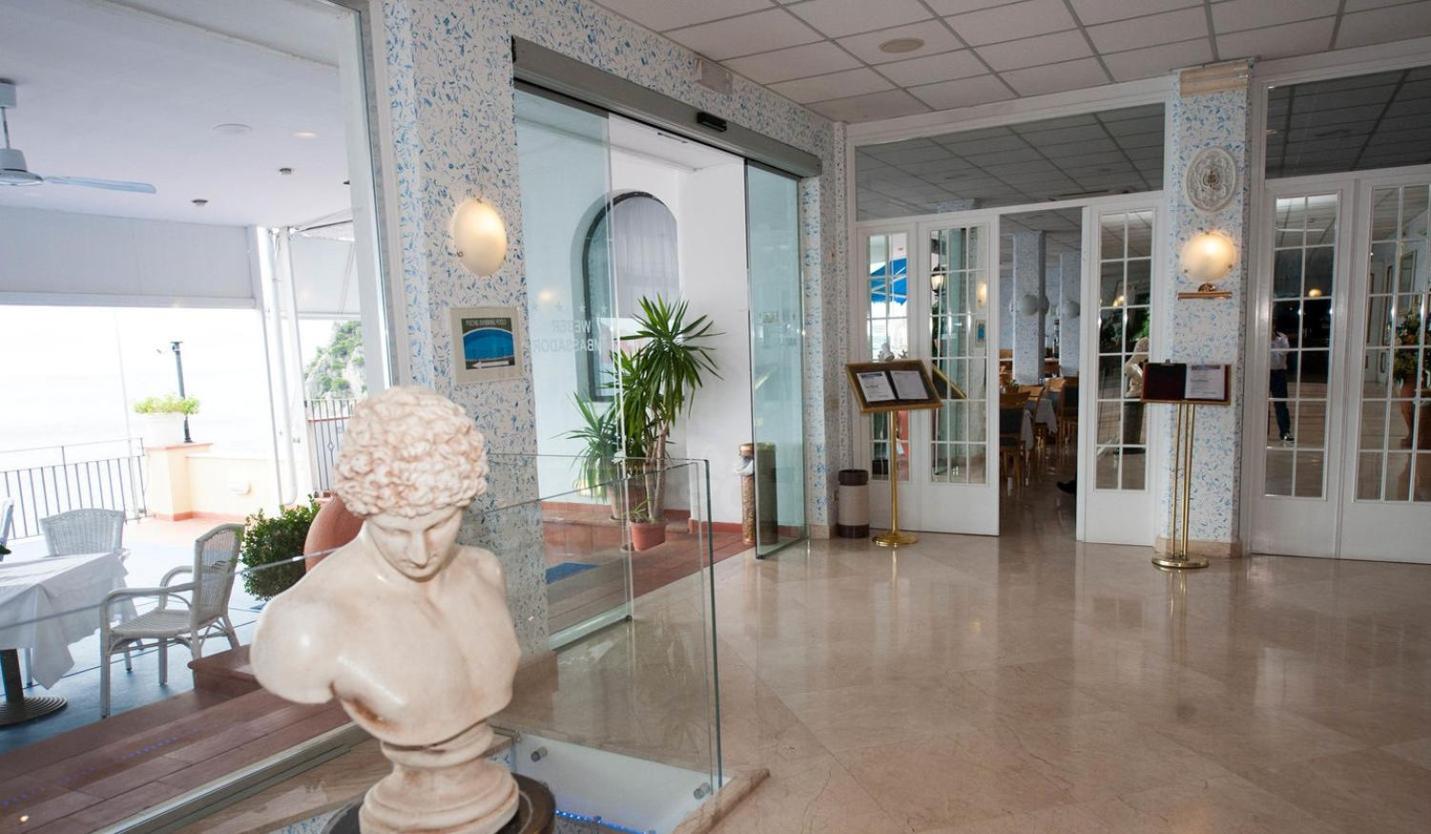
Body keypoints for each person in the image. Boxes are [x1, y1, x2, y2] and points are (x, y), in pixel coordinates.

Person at [1270, 329, 1293, 441]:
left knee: (1281, 404)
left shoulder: (1282, 337)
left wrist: (1275, 340)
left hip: (1279, 374)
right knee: (1258, 403)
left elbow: (1284, 351)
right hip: (1263, 372)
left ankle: (1285, 432)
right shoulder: (1259, 335)